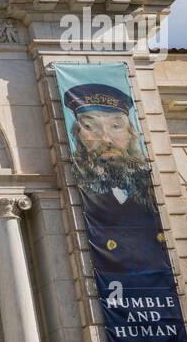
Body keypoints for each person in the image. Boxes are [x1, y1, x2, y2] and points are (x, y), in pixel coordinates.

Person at [64, 82, 170, 273]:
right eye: (91, 127)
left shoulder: (148, 189)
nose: (106, 139)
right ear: (78, 136)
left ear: (131, 134)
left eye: (116, 126)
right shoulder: (84, 192)